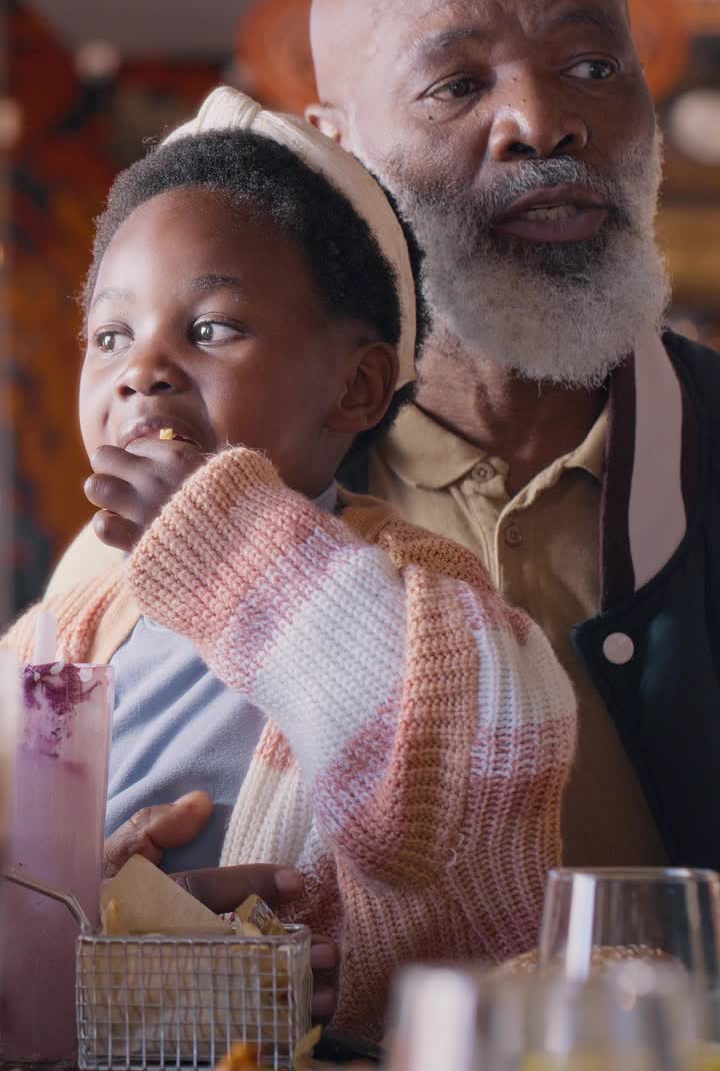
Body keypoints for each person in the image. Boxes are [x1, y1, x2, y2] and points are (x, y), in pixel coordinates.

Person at [2, 88, 576, 1038]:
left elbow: (474, 779)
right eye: (110, 336)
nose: (141, 370)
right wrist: (79, 899)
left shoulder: (415, 591)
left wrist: (227, 540)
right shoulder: (80, 602)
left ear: (355, 388)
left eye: (212, 328)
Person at [306, 0, 720, 871]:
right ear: (340, 153)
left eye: (590, 64)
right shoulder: (262, 490)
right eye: (456, 84)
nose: (542, 121)